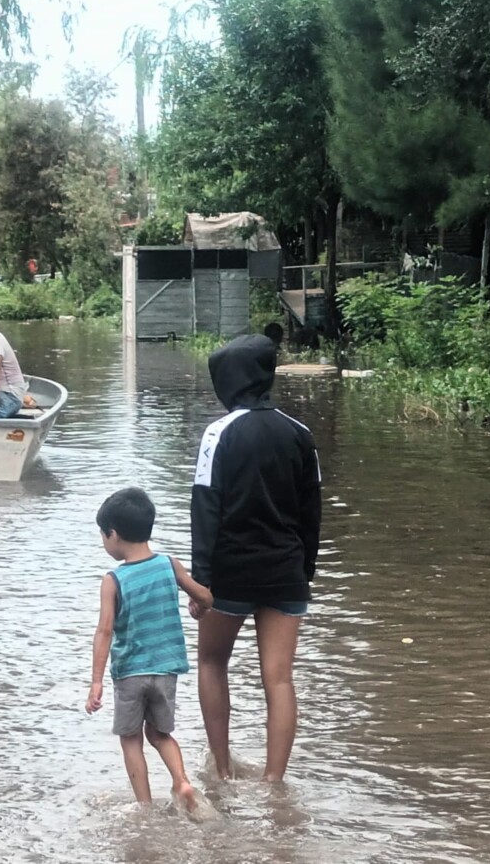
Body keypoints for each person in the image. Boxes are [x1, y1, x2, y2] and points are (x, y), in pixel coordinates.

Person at [190, 334, 322, 783]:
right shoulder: (300, 434)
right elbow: (312, 511)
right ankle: (273, 782)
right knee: (279, 678)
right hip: (286, 572)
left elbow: (206, 510)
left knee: (212, 663)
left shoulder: (219, 433)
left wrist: (201, 583)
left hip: (230, 571)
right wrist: (305, 572)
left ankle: (223, 771)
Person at [86, 488, 213, 812]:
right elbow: (206, 596)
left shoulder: (114, 580)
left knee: (131, 739)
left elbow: (104, 631)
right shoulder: (169, 565)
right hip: (166, 670)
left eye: (103, 535)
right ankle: (181, 781)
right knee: (160, 734)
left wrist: (96, 682)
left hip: (130, 673)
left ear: (114, 534)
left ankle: (144, 807)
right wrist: (198, 604)